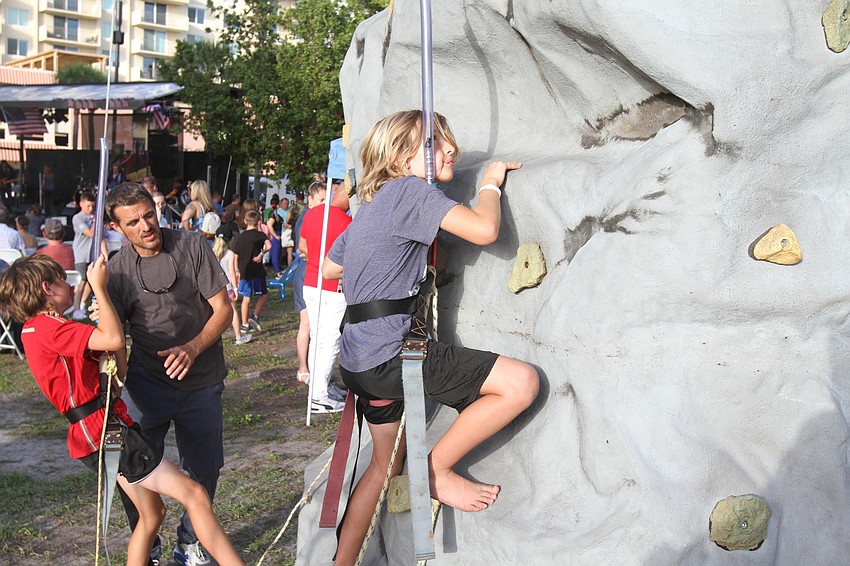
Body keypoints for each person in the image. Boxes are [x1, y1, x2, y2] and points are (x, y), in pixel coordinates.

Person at [322, 110, 539, 565]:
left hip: (360, 360)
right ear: (401, 159)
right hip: (391, 354)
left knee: (382, 466)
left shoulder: (371, 207)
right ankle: (435, 470)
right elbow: (484, 229)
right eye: (435, 142)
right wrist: (489, 184)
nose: (451, 148)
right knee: (520, 383)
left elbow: (330, 267)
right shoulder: (409, 191)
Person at [0, 254, 244, 566]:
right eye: (61, 279)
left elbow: (118, 366)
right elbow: (114, 338)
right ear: (47, 289)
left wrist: (107, 317)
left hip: (101, 428)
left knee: (152, 514)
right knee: (194, 494)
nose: (70, 284)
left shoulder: (40, 329)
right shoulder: (50, 328)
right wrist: (101, 290)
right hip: (103, 431)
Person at [104, 182, 233, 566]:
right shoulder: (117, 270)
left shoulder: (191, 246)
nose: (146, 226)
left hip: (202, 380)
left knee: (204, 468)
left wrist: (192, 348)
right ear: (116, 227)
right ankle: (148, 541)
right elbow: (113, 335)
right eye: (133, 222)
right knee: (133, 467)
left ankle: (191, 542)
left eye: (149, 215)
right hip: (145, 385)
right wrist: (99, 298)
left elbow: (223, 310)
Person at [300, 179, 351, 413]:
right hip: (332, 286)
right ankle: (319, 395)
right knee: (329, 341)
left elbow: (303, 247)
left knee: (318, 338)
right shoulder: (347, 222)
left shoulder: (313, 213)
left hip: (311, 282)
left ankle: (320, 388)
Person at [293, 182, 326, 384]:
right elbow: (302, 250)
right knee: (306, 323)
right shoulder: (307, 218)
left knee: (316, 325)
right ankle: (303, 368)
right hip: (307, 273)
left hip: (313, 272)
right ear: (310, 200)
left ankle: (312, 369)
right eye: (321, 200)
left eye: (327, 200)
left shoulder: (319, 216)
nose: (325, 204)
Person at [231, 209, 270, 335]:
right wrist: (261, 254)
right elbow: (269, 246)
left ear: (245, 221)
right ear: (258, 222)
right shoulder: (260, 235)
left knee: (246, 298)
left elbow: (235, 255)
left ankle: (244, 324)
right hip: (257, 270)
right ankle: (255, 316)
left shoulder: (240, 237)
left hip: (244, 270)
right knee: (264, 294)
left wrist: (237, 270)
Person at [213, 224, 252, 345]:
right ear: (230, 239)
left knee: (216, 312)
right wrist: (235, 288)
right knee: (234, 311)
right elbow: (231, 273)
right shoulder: (230, 254)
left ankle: (214, 338)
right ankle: (238, 337)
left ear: (215, 237)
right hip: (228, 286)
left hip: (216, 287)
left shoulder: (211, 253)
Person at [71, 191, 96, 321]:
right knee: (80, 282)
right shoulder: (77, 218)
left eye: (93, 206)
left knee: (90, 282)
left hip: (92, 255)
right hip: (81, 254)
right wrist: (97, 222)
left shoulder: (94, 217)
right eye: (88, 206)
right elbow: (90, 233)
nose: (91, 209)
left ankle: (81, 305)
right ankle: (75, 309)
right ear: (81, 204)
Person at [264, 194, 285, 277]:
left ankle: (276, 269)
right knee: (275, 254)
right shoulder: (273, 214)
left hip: (276, 233)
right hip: (276, 234)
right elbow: (269, 225)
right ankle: (277, 272)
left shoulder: (273, 213)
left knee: (273, 254)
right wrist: (275, 235)